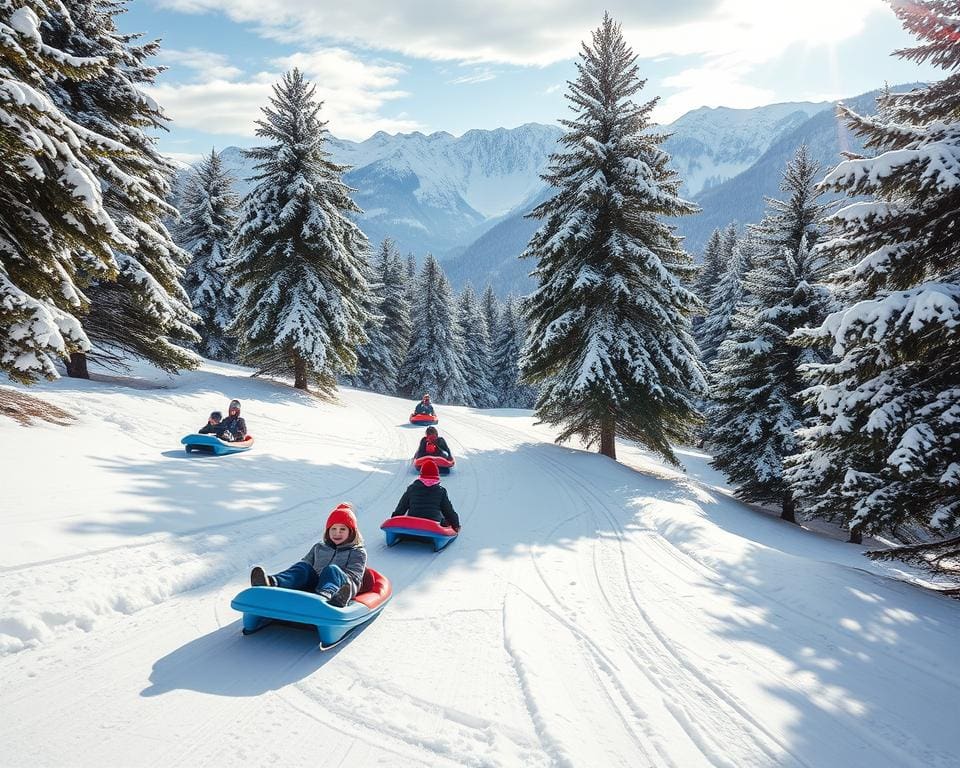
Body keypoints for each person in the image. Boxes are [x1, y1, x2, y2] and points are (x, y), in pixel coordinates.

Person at [250, 503, 367, 607]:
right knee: (303, 567)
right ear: (327, 531)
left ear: (351, 532)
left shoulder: (357, 552)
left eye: (342, 529)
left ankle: (326, 597)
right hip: (312, 585)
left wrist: (343, 591)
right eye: (333, 529)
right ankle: (272, 583)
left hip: (337, 590)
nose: (337, 533)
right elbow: (304, 565)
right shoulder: (319, 547)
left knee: (332, 570)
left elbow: (354, 578)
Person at [392, 459, 460, 531]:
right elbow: (448, 511)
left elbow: (401, 507)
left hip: (413, 523)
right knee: (444, 519)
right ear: (436, 475)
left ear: (421, 475)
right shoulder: (441, 491)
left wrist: (394, 521)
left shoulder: (412, 488)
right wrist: (455, 525)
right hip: (433, 524)